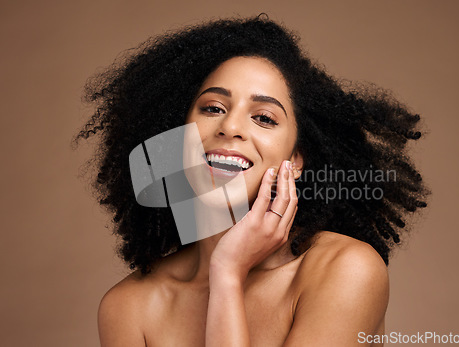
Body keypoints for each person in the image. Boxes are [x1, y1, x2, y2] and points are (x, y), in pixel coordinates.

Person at [74, 15, 428, 346]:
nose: (230, 127)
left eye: (263, 117)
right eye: (212, 108)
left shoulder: (346, 270)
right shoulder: (130, 307)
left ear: (295, 160)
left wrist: (227, 272)